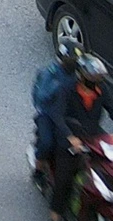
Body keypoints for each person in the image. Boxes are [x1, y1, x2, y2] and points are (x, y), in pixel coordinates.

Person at [49, 55, 113, 221]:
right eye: (94, 78)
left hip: (94, 136)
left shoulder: (101, 90)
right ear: (82, 76)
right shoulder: (67, 89)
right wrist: (70, 137)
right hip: (71, 139)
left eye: (99, 79)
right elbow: (57, 115)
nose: (98, 82)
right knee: (64, 179)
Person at [31, 43, 82, 178]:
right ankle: (39, 167)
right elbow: (42, 95)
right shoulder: (50, 73)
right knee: (47, 143)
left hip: (66, 113)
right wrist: (58, 89)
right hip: (48, 114)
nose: (74, 63)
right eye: (71, 60)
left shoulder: (75, 75)